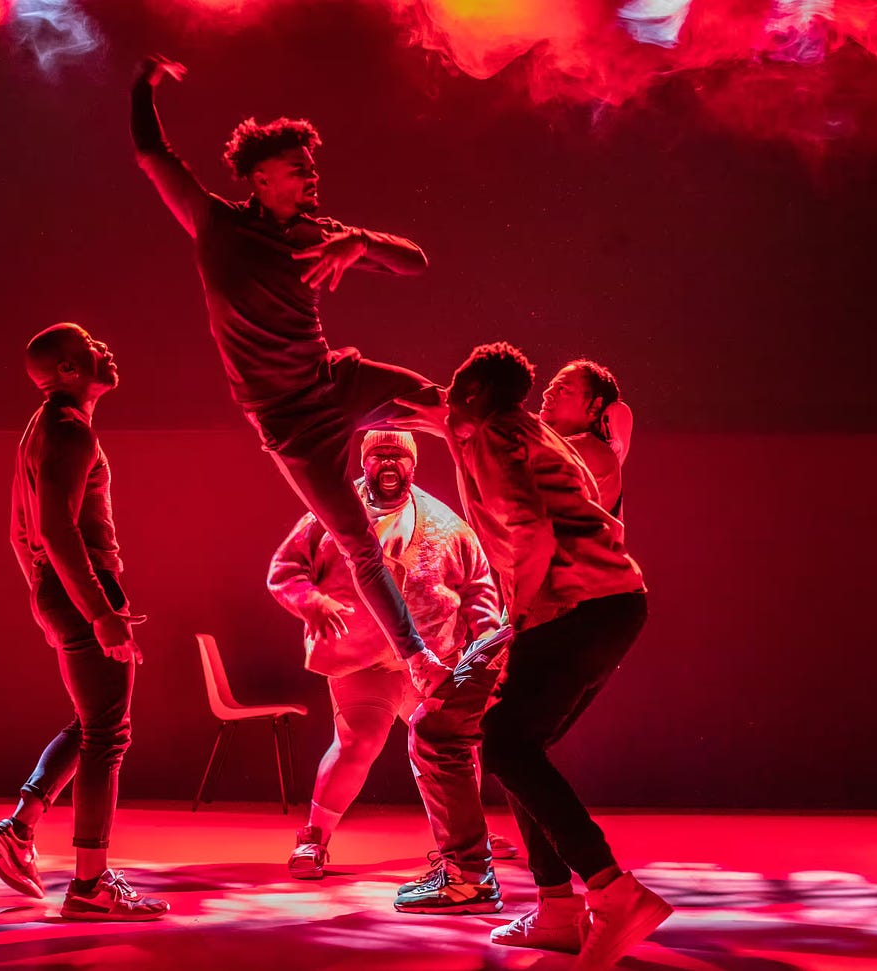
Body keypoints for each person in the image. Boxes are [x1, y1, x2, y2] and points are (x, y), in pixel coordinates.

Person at [131, 54, 451, 700]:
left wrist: (360, 241)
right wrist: (143, 82)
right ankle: (416, 657)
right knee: (358, 544)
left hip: (333, 381)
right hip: (290, 424)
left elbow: (417, 263)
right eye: (297, 166)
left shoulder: (318, 233)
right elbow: (151, 154)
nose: (311, 174)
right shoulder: (215, 225)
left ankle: (514, 529)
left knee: (450, 409)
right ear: (258, 177)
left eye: (312, 164)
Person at [398, 343, 670, 967]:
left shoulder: (498, 437)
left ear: (476, 398)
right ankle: (558, 909)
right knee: (512, 743)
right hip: (612, 603)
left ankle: (612, 890)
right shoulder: (509, 425)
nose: (445, 402)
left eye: (455, 393)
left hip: (579, 606)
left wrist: (518, 621)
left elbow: (531, 532)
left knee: (506, 743)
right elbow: (417, 406)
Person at [0, 323, 169, 921]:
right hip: (83, 595)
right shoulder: (67, 431)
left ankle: (20, 829)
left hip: (60, 593)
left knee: (93, 722)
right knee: (109, 734)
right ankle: (90, 885)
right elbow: (57, 531)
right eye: (91, 348)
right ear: (66, 369)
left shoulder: (44, 428)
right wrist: (99, 613)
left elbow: (17, 532)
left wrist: (44, 597)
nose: (107, 350)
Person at [268, 431, 506, 912]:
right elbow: (284, 570)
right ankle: (313, 837)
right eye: (379, 454)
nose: (389, 462)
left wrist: (485, 653)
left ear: (414, 465)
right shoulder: (330, 514)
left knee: (452, 749)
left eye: (399, 454)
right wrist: (311, 601)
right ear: (365, 461)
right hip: (363, 657)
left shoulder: (448, 525)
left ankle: (462, 845)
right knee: (359, 741)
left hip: (435, 661)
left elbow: (481, 591)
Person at [538, 358, 632, 517]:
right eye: (550, 386)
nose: (546, 394)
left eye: (562, 388)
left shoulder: (595, 453)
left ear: (595, 406)